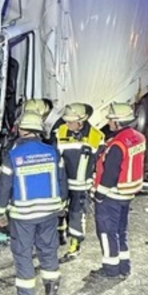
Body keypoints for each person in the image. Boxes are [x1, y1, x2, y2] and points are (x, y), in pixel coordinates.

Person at [0, 111, 67, 295]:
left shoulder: (13, 156)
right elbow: (62, 181)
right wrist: (62, 205)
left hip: (23, 217)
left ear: (21, 130)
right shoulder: (52, 152)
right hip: (49, 214)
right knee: (48, 251)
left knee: (23, 254)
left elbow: (4, 188)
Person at [91, 103, 145, 280]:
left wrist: (99, 194)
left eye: (111, 120)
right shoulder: (138, 137)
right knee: (121, 231)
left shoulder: (117, 145)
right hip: (127, 193)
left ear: (118, 122)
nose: (109, 123)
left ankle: (111, 269)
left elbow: (110, 173)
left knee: (107, 233)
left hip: (112, 196)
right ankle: (124, 266)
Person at [54, 103, 104, 259]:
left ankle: (74, 245)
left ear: (81, 121)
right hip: (61, 182)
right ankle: (59, 235)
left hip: (81, 186)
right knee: (58, 210)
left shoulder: (96, 136)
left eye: (71, 122)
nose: (67, 124)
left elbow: (100, 164)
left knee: (76, 215)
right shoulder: (60, 132)